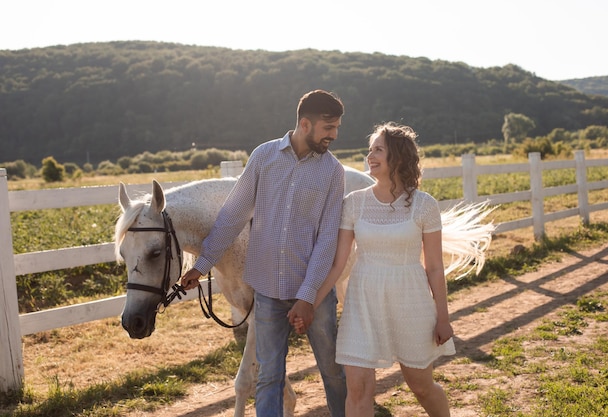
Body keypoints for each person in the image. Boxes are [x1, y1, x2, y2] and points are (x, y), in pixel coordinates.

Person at [180, 89, 347, 417]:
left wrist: (308, 296)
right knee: (269, 378)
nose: (334, 135)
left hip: (313, 294)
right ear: (304, 124)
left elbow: (328, 239)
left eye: (337, 127)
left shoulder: (333, 172)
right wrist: (201, 266)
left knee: (333, 373)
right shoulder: (264, 157)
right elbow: (232, 216)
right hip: (268, 293)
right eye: (328, 127)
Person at [290, 122, 455, 417]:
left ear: (399, 156)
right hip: (363, 304)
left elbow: (434, 267)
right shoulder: (354, 203)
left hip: (410, 303)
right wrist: (309, 303)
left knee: (421, 386)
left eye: (378, 149)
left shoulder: (424, 205)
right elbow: (338, 264)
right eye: (370, 150)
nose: (370, 156)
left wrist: (443, 318)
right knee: (359, 390)